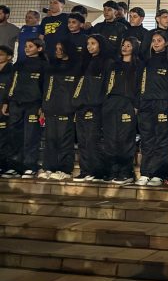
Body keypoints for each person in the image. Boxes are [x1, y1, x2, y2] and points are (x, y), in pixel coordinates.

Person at [135, 31, 168, 187]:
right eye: (154, 40)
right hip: (146, 105)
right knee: (147, 140)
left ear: (166, 43)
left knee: (162, 140)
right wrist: (138, 103)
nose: (155, 43)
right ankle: (145, 173)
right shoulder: (146, 61)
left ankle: (159, 174)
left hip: (164, 105)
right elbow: (138, 83)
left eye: (159, 40)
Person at [1, 38, 48, 178]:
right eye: (26, 46)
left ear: (39, 48)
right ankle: (15, 166)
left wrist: (43, 106)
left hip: (33, 105)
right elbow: (11, 83)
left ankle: (30, 166)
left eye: (30, 46)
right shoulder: (19, 64)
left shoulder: (44, 65)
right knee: (15, 135)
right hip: (16, 104)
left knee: (31, 136)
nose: (27, 48)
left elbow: (46, 87)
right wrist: (6, 102)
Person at [70, 35, 113, 182]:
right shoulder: (85, 62)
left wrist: (101, 104)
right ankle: (85, 170)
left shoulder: (108, 63)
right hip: (81, 106)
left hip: (96, 108)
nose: (89, 46)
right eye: (88, 43)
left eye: (93, 43)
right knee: (82, 141)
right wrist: (76, 102)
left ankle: (98, 172)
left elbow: (108, 87)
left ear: (101, 45)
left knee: (93, 140)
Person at [38, 40, 81, 181]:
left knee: (65, 140)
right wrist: (44, 106)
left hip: (67, 109)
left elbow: (77, 89)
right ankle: (49, 168)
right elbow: (47, 88)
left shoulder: (76, 67)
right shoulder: (52, 66)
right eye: (56, 48)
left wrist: (74, 106)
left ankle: (65, 170)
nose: (57, 51)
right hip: (51, 108)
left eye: (60, 48)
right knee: (50, 140)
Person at [102, 37, 141, 185]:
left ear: (134, 48)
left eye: (129, 45)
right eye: (123, 45)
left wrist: (135, 105)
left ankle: (126, 172)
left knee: (125, 139)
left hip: (128, 105)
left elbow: (140, 87)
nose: (125, 47)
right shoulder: (113, 65)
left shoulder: (138, 66)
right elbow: (106, 84)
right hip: (111, 104)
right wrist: (106, 102)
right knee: (110, 139)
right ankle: (113, 171)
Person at [0, 45, 14, 176]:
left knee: (4, 139)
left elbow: (11, 90)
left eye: (1, 54)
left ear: (9, 57)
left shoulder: (12, 71)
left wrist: (7, 103)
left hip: (4, 110)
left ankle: (5, 166)